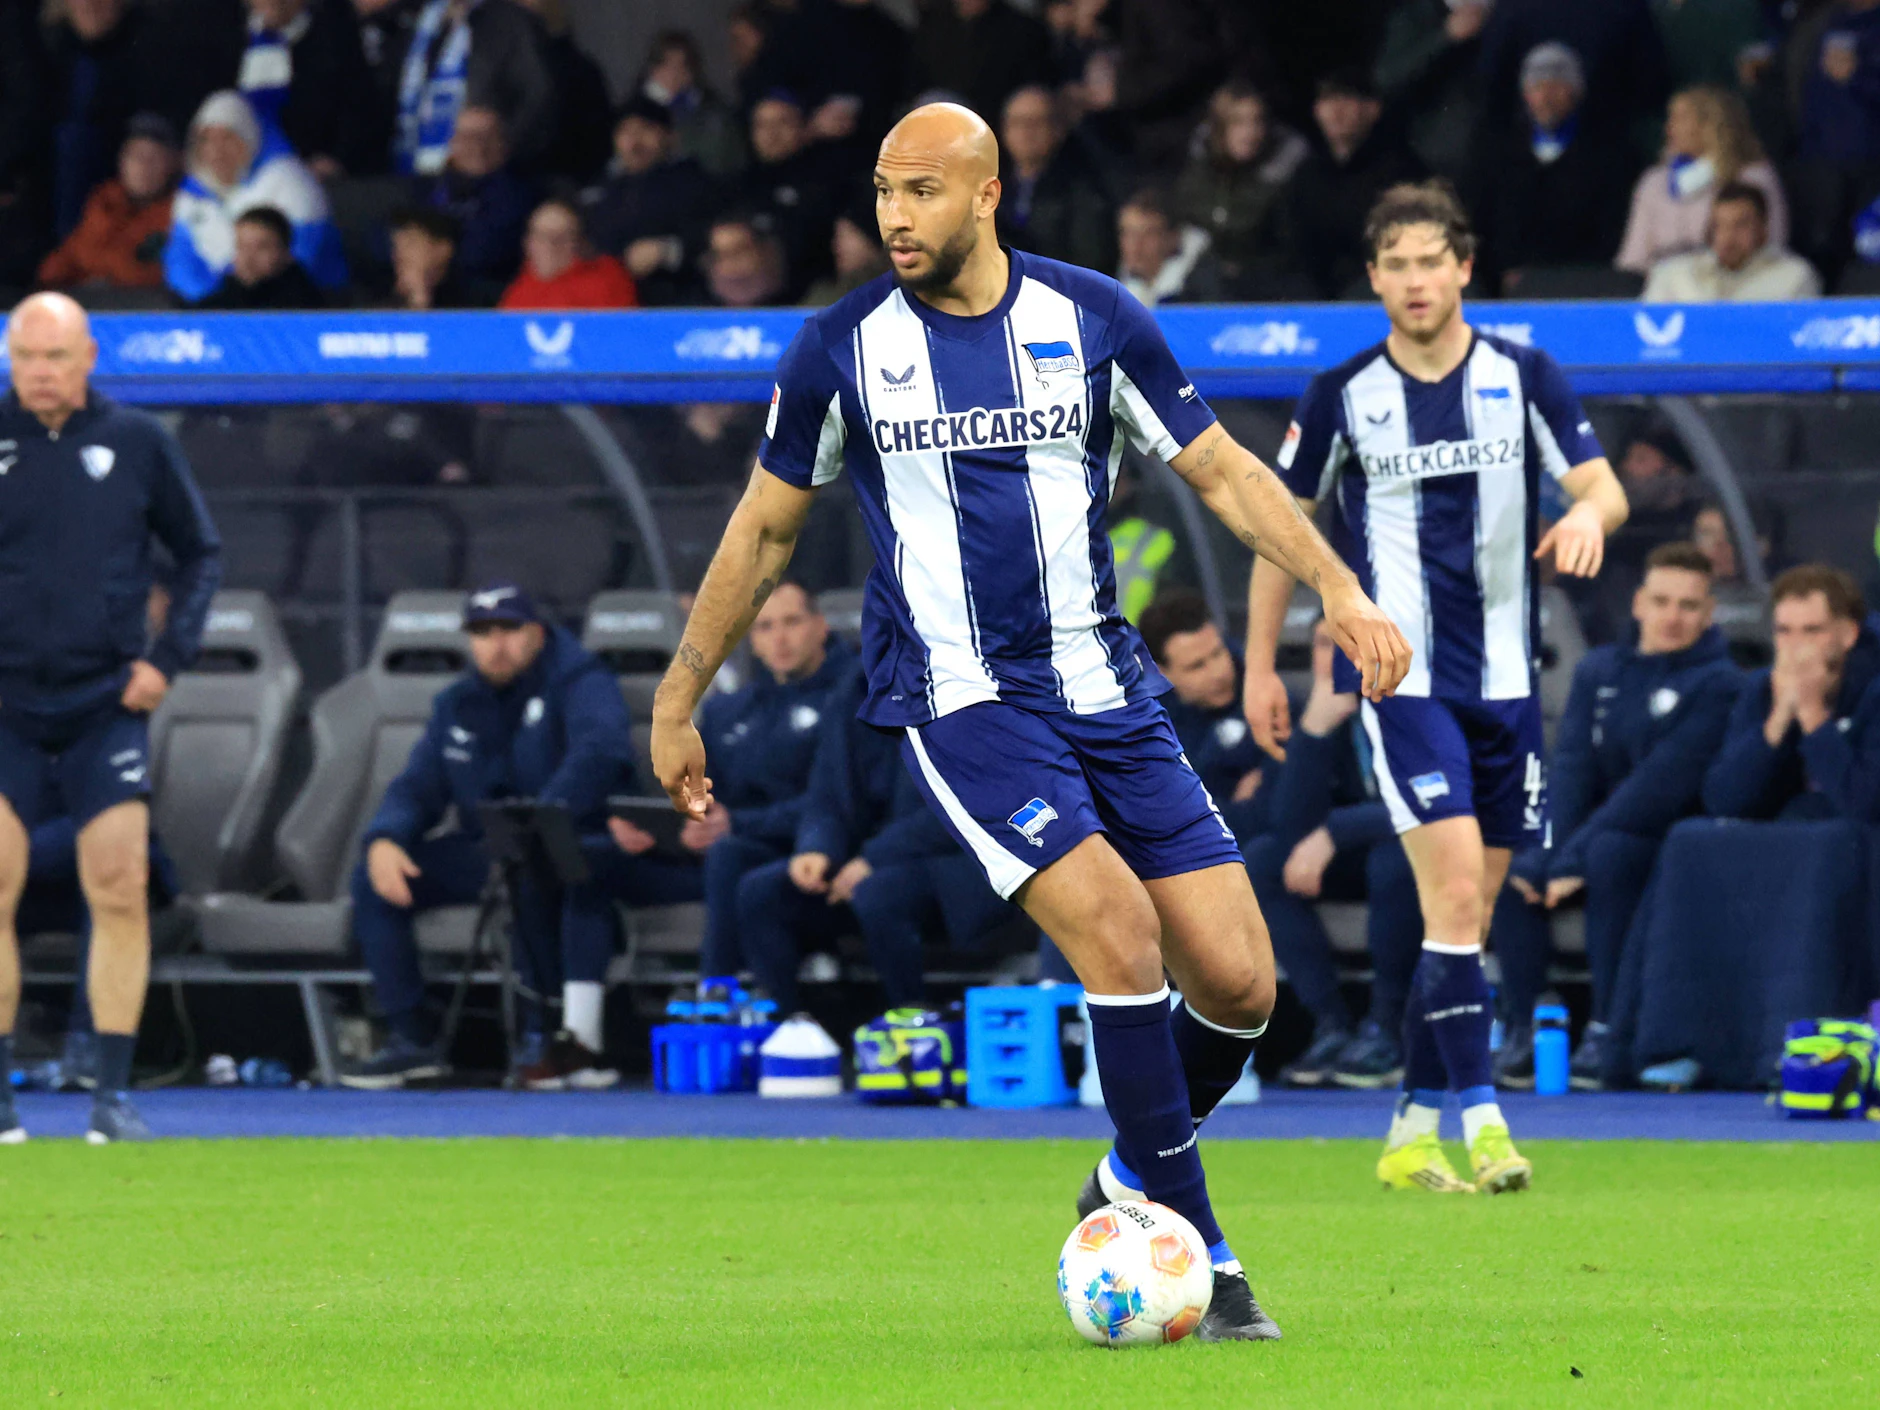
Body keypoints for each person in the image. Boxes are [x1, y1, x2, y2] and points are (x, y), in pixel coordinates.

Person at [649, 101, 1410, 1341]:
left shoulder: (1094, 317)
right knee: (1118, 937)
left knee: (1239, 982)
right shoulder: (839, 346)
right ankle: (1200, 1251)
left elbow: (1217, 470)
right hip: (959, 698)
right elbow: (764, 527)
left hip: (1107, 690)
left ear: (987, 194)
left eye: (922, 193)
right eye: (883, 193)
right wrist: (678, 696)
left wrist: (1336, 587)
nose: (894, 217)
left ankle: (1124, 1179)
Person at [1249, 181, 1629, 1194]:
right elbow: (1275, 532)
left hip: (1508, 686)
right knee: (1457, 894)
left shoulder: (1522, 374)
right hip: (1400, 678)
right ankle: (1486, 1124)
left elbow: (1601, 482)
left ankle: (1409, 1128)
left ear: (1462, 268)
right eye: (1395, 263)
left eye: (1431, 260)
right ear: (1372, 278)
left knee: (1458, 914)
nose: (1415, 280)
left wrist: (1590, 515)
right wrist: (1257, 669)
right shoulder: (1340, 392)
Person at [0, 293, 224, 1143]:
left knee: (120, 887)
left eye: (56, 356)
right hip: (8, 706)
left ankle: (111, 1097)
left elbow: (200, 552)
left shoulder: (136, 442)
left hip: (105, 704)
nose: (42, 373)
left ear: (90, 355)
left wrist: (166, 661)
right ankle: (2, 1108)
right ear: (10, 358)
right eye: (27, 357)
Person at [342, 583, 698, 1090]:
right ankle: (412, 1039)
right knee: (374, 878)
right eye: (483, 633)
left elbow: (598, 753)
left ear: (537, 633)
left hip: (575, 839)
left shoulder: (579, 680)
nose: (496, 644)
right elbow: (419, 785)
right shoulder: (458, 702)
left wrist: (542, 817)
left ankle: (541, 1031)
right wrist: (384, 838)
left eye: (508, 630)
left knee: (532, 864)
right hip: (488, 844)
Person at [1624, 566, 1880, 1089]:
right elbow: (1726, 797)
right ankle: (1681, 1043)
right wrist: (1777, 724)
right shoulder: (1764, 689)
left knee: (1831, 846)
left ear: (1848, 634)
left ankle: (1803, 1049)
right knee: (1690, 841)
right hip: (1782, 841)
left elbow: (1862, 802)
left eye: (1812, 631)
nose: (1797, 646)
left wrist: (1813, 718)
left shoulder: (1875, 690)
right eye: (1785, 632)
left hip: (1855, 846)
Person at [1503, 543, 1739, 1088]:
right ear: (1638, 604)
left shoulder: (1720, 684)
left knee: (1611, 855)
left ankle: (1609, 1029)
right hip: (1593, 832)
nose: (1672, 616)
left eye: (1687, 605)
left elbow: (1656, 790)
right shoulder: (1599, 669)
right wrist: (1549, 855)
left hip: (1665, 841)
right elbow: (1573, 770)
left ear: (1707, 615)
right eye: (1661, 601)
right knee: (1516, 868)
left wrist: (1575, 857)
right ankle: (1526, 1025)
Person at [735, 661, 975, 1016]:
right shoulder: (858, 688)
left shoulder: (966, 686)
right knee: (762, 892)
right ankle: (788, 1033)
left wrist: (873, 860)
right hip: (865, 864)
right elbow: (828, 792)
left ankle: (911, 1029)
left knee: (879, 893)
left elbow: (961, 808)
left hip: (958, 864)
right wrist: (817, 848)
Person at [1239, 617, 1418, 1091]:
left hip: (1427, 854)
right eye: (1323, 644)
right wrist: (1315, 731)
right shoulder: (1313, 710)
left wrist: (1336, 831)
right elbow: (1290, 826)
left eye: (1346, 643)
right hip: (1353, 854)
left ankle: (1387, 1027)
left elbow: (1427, 805)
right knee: (1264, 859)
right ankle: (1332, 1024)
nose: (1333, 657)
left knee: (1393, 859)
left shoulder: (1417, 703)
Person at [684, 581, 850, 989]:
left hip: (829, 850)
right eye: (764, 628)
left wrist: (736, 823)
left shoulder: (852, 697)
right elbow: (704, 787)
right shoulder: (730, 710)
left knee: (731, 857)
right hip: (748, 844)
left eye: (792, 622)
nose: (780, 639)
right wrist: (692, 817)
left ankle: (718, 992)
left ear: (820, 626)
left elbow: (837, 799)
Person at [1475, 42, 1636, 295]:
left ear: (1576, 92)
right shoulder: (1500, 155)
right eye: (1538, 87)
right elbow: (1485, 225)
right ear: (1525, 94)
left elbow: (1611, 234)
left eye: (1557, 86)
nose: (1546, 97)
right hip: (1506, 290)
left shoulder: (1607, 157)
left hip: (1582, 286)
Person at [164, 90, 346, 305]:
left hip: (299, 305)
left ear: (248, 136)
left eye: (227, 138)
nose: (216, 150)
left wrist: (236, 296)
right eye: (207, 139)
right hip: (224, 305)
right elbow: (179, 261)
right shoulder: (190, 192)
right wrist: (214, 301)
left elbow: (299, 257)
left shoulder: (290, 181)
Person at [1136, 592, 1268, 840]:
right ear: (1161, 673)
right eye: (1197, 666)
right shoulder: (1151, 737)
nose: (1218, 672)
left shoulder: (1261, 684)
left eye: (1218, 653)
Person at [1615, 85, 1787, 276]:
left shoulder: (1753, 176)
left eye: (1681, 118)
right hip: (1665, 289)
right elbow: (1633, 257)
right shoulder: (1654, 181)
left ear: (1712, 124)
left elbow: (1773, 247)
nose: (1669, 128)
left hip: (1736, 286)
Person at [1285, 71, 1427, 299]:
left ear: (1373, 109)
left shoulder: (1401, 174)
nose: (1336, 111)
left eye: (1347, 100)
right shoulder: (1305, 175)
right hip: (1314, 300)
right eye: (1328, 101)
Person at [1171, 82, 1309, 300]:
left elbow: (1289, 252)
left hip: (1268, 291)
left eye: (1257, 121)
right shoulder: (1198, 174)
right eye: (1238, 122)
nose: (1250, 132)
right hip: (1208, 286)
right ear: (1220, 127)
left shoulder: (1285, 178)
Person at [579, 97, 719, 309]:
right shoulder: (599, 189)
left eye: (645, 129)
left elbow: (715, 238)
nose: (634, 142)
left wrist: (667, 250)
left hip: (675, 299)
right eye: (625, 132)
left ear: (670, 136)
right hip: (607, 301)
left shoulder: (694, 183)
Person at [392, 0, 554, 176]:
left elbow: (538, 100)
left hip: (488, 179)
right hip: (407, 180)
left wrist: (501, 140)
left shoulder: (508, 21)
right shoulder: (411, 22)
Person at [233, 0, 381, 179]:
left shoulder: (337, 38)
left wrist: (337, 160)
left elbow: (360, 110)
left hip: (313, 180)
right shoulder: (226, 38)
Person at [36, 114, 180, 294]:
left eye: (154, 158)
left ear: (172, 164)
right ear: (122, 162)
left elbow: (160, 276)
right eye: (136, 156)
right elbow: (69, 256)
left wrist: (110, 269)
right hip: (88, 302)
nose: (144, 166)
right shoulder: (104, 202)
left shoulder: (182, 211)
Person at [996, 85, 1118, 277]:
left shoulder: (1082, 191)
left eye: (1036, 122)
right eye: (1017, 122)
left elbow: (1089, 262)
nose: (1026, 132)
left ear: (1057, 129)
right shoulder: (991, 190)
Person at [1642, 180, 1823, 301]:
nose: (1728, 236)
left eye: (1740, 225)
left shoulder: (1795, 277)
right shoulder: (1673, 274)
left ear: (1762, 229)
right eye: (1719, 225)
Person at [419, 106, 535, 288]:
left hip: (488, 296)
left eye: (486, 138)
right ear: (452, 142)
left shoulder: (522, 195)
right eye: (467, 138)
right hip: (421, 286)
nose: (477, 147)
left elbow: (487, 252)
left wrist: (439, 253)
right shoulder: (427, 187)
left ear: (503, 144)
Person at [497, 198, 639, 310]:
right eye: (541, 237)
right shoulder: (518, 291)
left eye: (561, 238)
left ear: (580, 242)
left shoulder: (608, 278)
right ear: (528, 243)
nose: (550, 246)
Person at [196, 205, 329, 309]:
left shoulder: (308, 309)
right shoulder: (212, 309)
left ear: (286, 253)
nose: (248, 258)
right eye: (242, 246)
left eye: (261, 247)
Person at [1115, 188, 1225, 307]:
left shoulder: (1203, 294)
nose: (1135, 246)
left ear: (1173, 238)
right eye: (1128, 233)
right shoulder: (1113, 286)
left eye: (1149, 234)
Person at [383, 206, 478, 309]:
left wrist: (421, 296)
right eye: (395, 245)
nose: (399, 254)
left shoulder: (474, 298)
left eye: (411, 243)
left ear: (443, 249)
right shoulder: (380, 293)